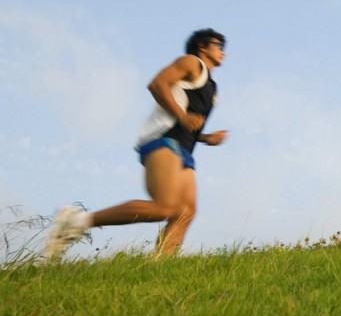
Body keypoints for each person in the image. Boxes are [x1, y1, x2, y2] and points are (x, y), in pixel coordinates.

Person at [45, 28, 229, 259]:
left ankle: (161, 266)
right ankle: (74, 221)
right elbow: (157, 84)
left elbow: (191, 122)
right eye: (219, 45)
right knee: (165, 207)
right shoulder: (191, 63)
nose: (223, 51)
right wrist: (183, 118)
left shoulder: (212, 89)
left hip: (184, 147)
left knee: (185, 212)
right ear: (202, 46)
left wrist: (205, 137)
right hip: (164, 139)